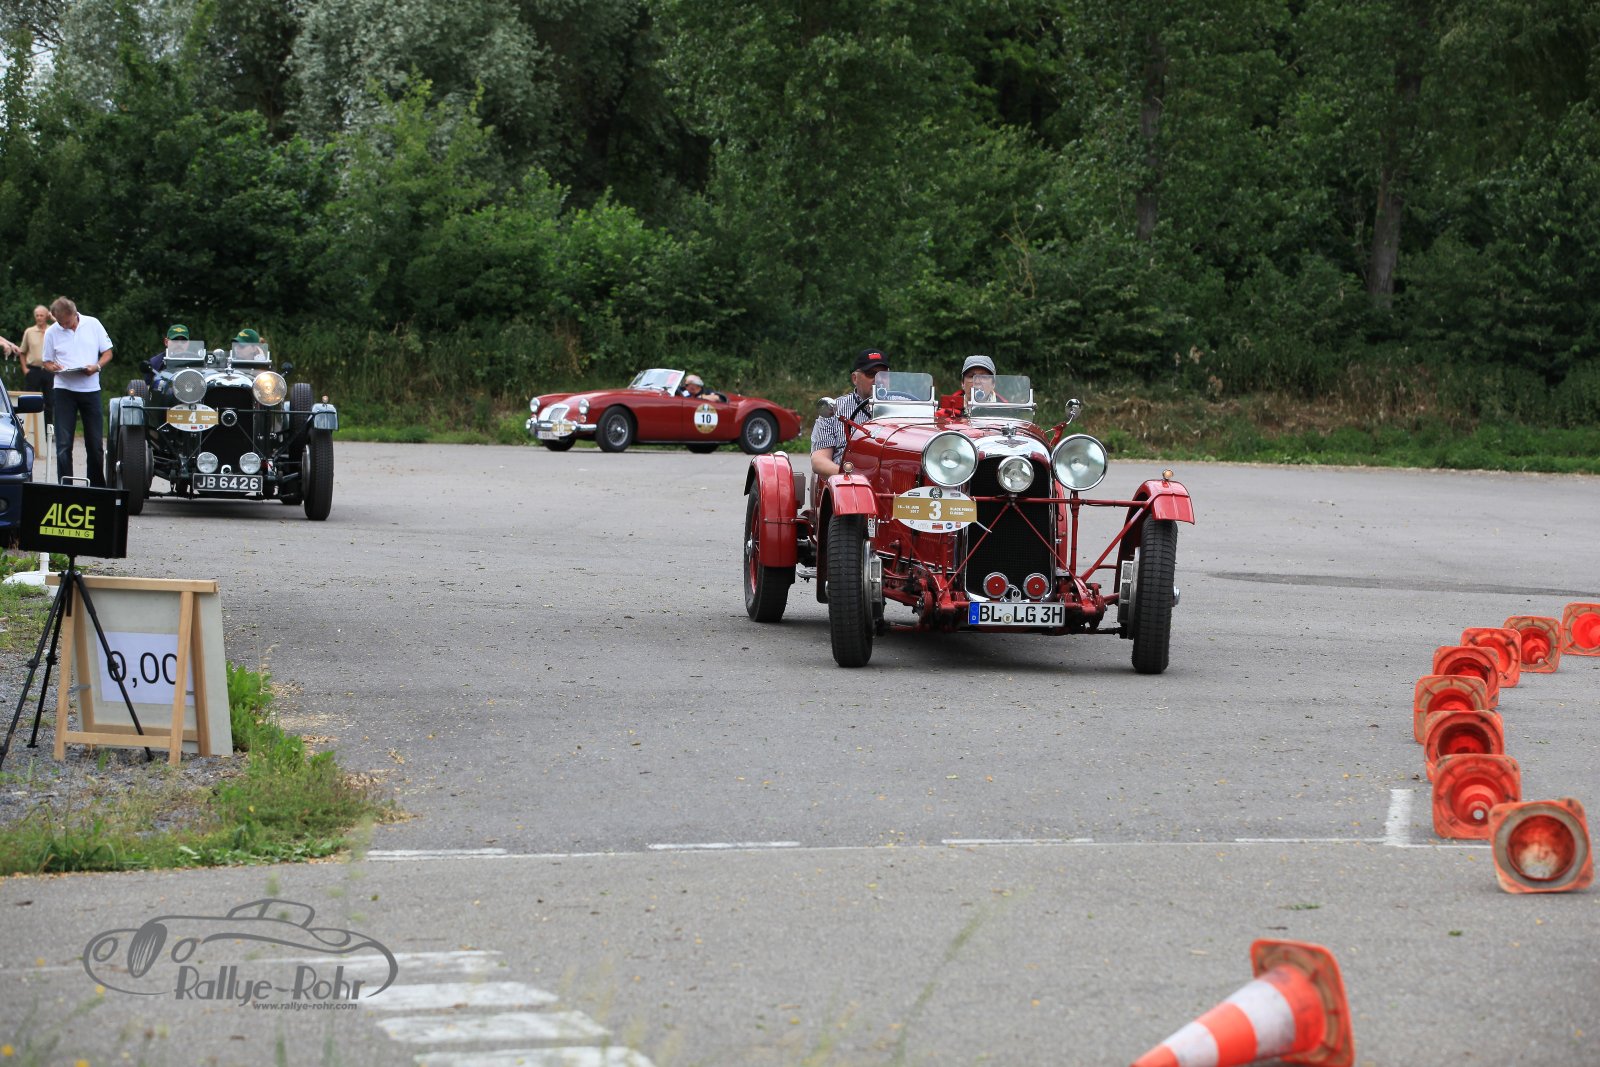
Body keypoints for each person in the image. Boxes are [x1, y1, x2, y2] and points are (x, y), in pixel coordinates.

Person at [40, 296, 113, 487]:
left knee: (95, 443)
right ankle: (66, 486)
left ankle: (96, 487)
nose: (63, 326)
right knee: (63, 444)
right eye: (60, 322)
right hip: (64, 390)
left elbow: (108, 352)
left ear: (74, 314)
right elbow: (46, 361)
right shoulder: (51, 332)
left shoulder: (93, 324)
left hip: (90, 389)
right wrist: (53, 367)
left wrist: (96, 366)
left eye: (66, 322)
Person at [811, 349, 888, 477]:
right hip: (849, 482)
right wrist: (854, 477)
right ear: (855, 378)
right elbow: (819, 461)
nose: (878, 380)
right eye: (871, 374)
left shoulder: (906, 407)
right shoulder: (834, 409)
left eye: (883, 375)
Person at [14, 305, 54, 404]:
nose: (39, 318)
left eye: (42, 315)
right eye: (37, 315)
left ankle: (49, 416)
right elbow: (22, 352)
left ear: (47, 316)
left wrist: (53, 317)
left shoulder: (53, 330)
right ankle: (30, 415)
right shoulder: (29, 331)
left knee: (50, 401)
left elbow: (64, 327)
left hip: (50, 370)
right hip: (33, 370)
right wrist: (25, 369)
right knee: (30, 400)